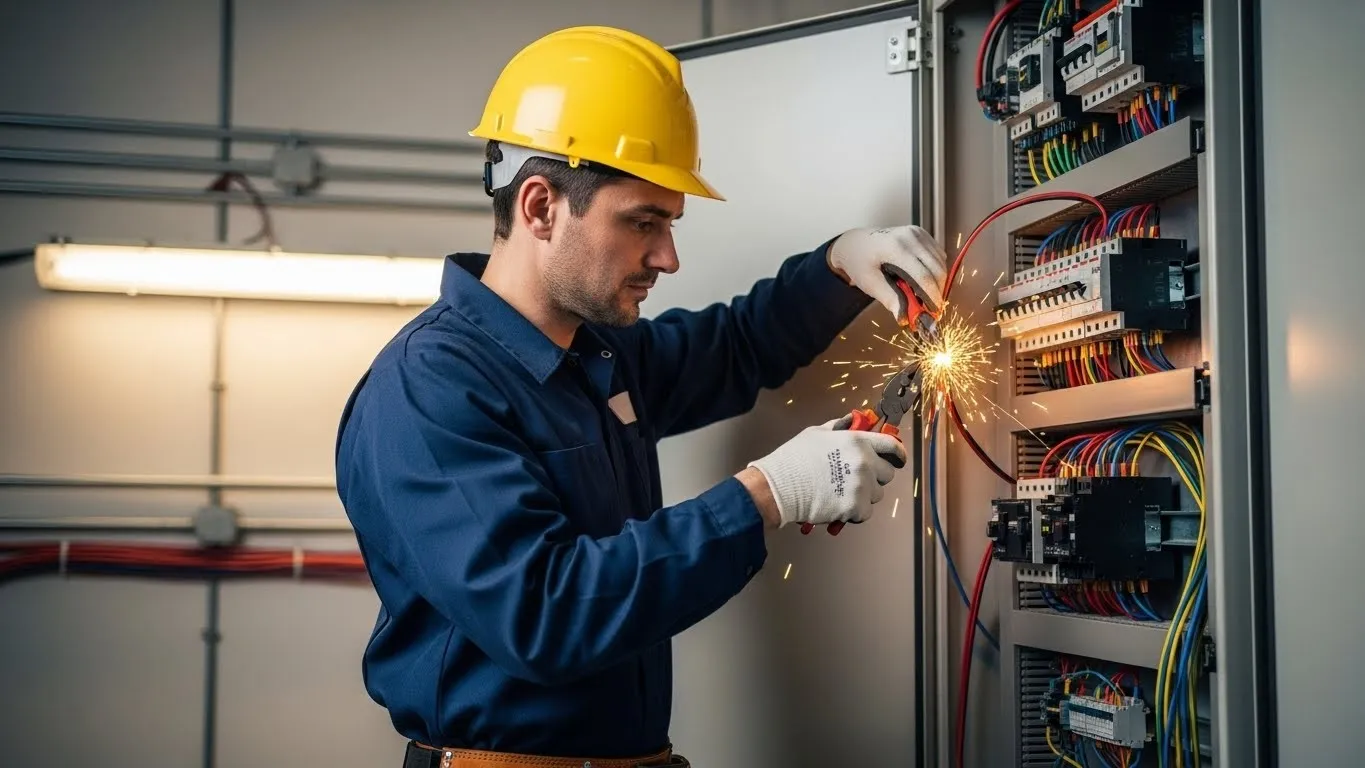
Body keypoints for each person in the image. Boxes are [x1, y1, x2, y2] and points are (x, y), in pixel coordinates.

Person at [335, 25, 949, 768]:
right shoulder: (430, 389)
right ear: (540, 208)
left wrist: (839, 267)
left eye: (669, 223)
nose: (667, 256)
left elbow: (736, 346)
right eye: (643, 222)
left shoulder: (598, 353)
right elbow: (544, 615)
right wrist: (765, 495)